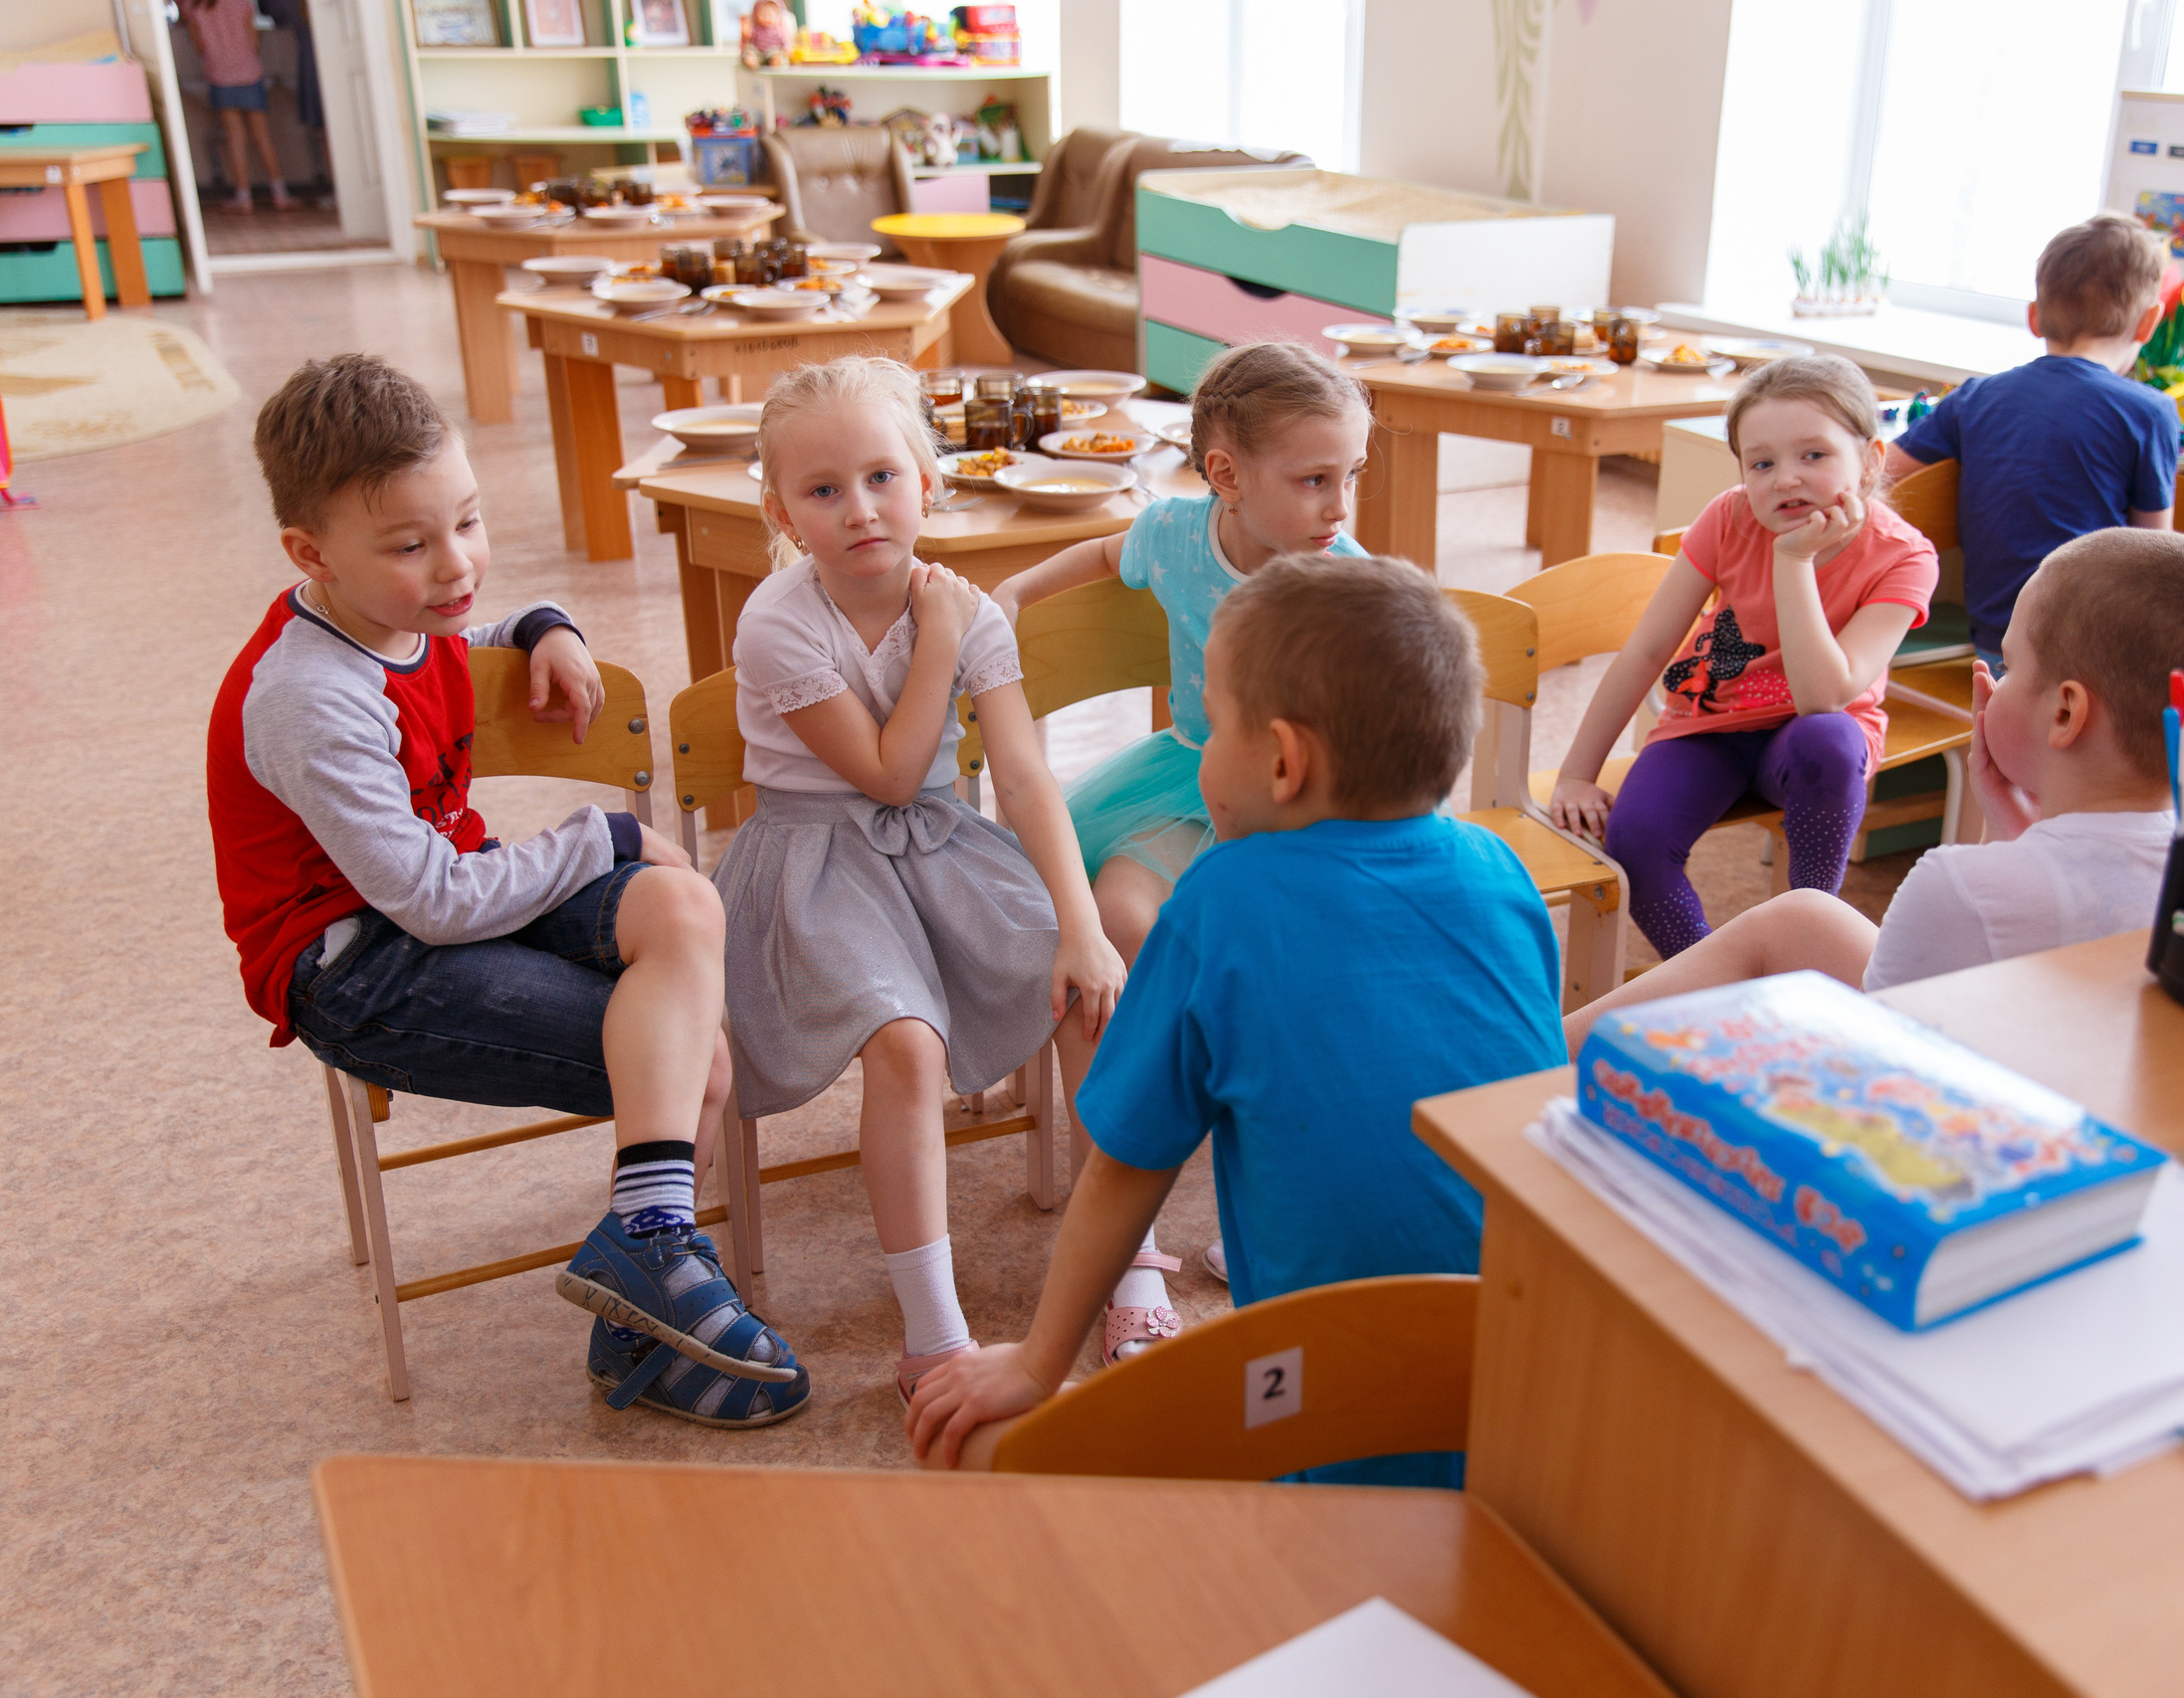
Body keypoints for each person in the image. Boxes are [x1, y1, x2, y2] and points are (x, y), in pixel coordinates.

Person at [208, 354, 803, 1426]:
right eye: (411, 545)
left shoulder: (393, 613)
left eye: (467, 522)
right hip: (359, 968)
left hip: (455, 897)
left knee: (679, 907)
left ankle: (645, 1250)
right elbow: (433, 903)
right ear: (311, 555)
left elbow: (462, 635)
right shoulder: (303, 697)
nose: (454, 566)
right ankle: (649, 1301)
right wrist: (601, 835)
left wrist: (539, 624)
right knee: (691, 1059)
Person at [906, 553, 1567, 1483]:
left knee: (975, 1444)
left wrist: (1034, 1364)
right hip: (1541, 1375)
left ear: (1285, 762)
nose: (1203, 755)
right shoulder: (1503, 872)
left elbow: (1126, 1165)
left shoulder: (1220, 899)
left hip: (1329, 1408)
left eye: (1211, 729)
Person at [717, 356, 1124, 1403]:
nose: (859, 510)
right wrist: (939, 636)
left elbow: (1025, 775)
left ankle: (1129, 1265)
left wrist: (1081, 927)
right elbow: (891, 773)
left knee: (1086, 986)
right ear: (782, 512)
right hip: (813, 866)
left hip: (938, 847)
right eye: (821, 491)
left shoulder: (967, 607)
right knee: (904, 1043)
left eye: (882, 477)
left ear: (927, 480)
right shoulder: (778, 620)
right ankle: (934, 1336)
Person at [990, 339, 1371, 1336]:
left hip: (1300, 806)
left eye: (1349, 479)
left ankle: (1268, 1211)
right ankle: (1122, 1243)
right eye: (1315, 480)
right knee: (1109, 918)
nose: (1339, 507)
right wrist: (1018, 590)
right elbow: (1097, 554)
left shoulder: (1345, 582)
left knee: (1293, 978)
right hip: (1189, 774)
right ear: (1226, 478)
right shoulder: (1171, 536)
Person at [1558, 528, 2184, 1052]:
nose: (1996, 677)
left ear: (2065, 712)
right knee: (1805, 916)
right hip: (2070, 1084)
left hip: (1941, 1129)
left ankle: (1524, 1070)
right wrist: (2010, 829)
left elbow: (1864, 1052)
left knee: (1786, 930)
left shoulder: (1960, 886)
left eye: (2011, 662)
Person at [1546, 354, 1939, 957]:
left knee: (1829, 740)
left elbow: (1824, 697)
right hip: (1712, 725)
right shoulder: (1729, 516)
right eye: (1762, 463)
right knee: (1636, 841)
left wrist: (1795, 559)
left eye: (1814, 455)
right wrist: (1577, 772)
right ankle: (1719, 980)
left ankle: (1805, 943)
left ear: (1869, 461)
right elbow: (1649, 648)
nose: (1785, 478)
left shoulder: (1905, 556)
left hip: (1813, 738)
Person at [1886, 213, 2182, 669]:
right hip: (2092, 643)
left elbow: (1879, 471)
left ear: (2034, 317)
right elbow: (2155, 555)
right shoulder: (2150, 411)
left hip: (1998, 640)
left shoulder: (1975, 397)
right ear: (2149, 323)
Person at [180, 0, 300, 213]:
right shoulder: (241, 2)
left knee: (235, 137)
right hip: (249, 71)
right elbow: (253, 39)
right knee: (262, 136)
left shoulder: (193, 6)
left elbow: (199, 45)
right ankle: (280, 193)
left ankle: (243, 197)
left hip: (219, 74)